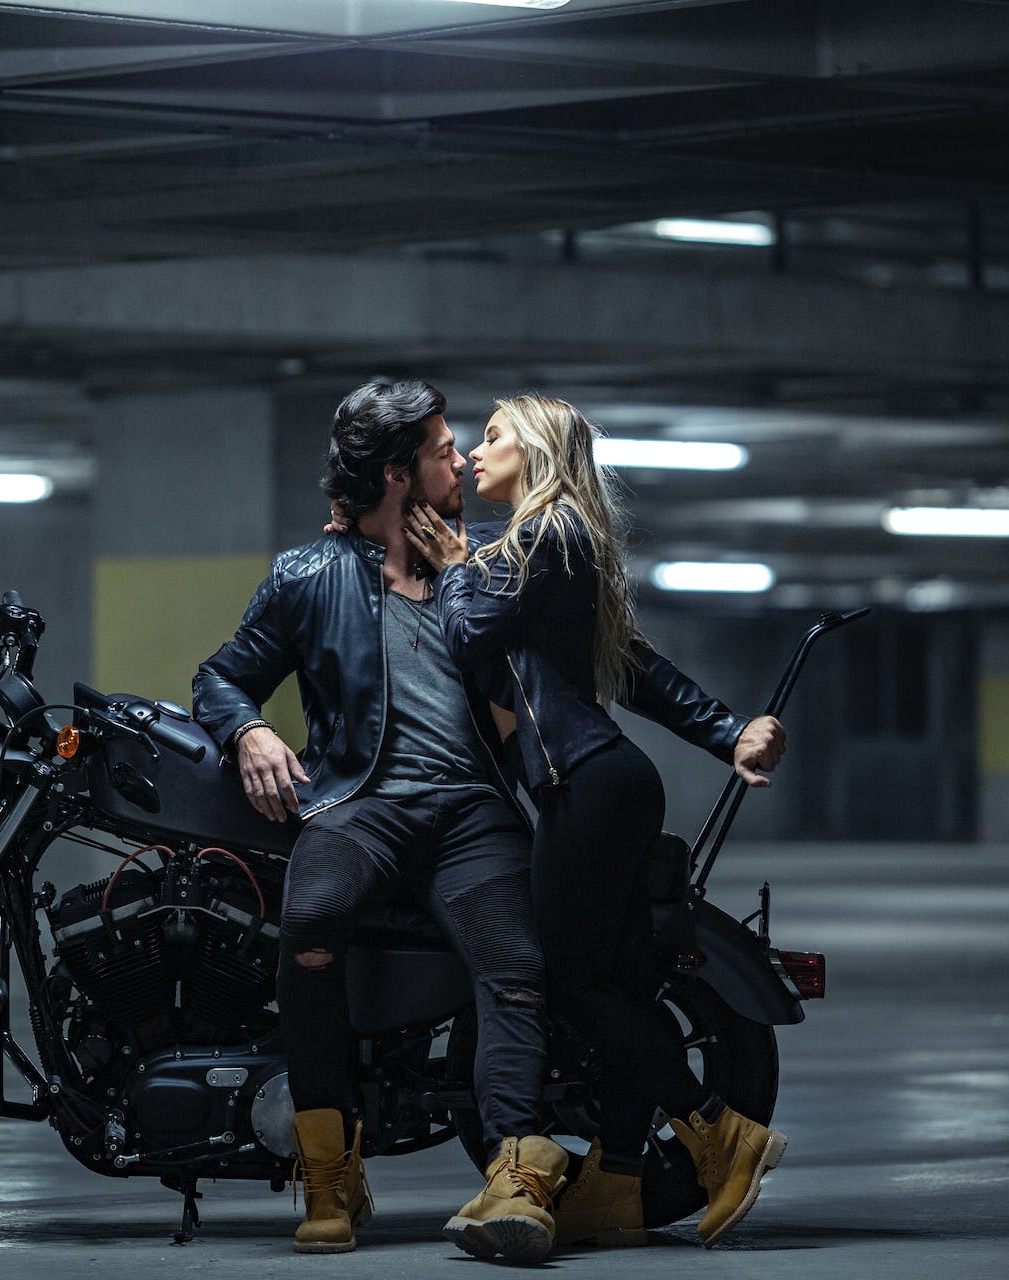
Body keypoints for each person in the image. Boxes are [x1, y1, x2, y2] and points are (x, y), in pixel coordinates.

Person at [404, 392, 789, 1253]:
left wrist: (460, 563)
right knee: (612, 987)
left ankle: (720, 1132)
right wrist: (727, 731)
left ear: (534, 450)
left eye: (494, 435)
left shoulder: (543, 536)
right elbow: (637, 670)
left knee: (569, 988)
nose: (473, 451)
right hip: (602, 784)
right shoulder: (566, 544)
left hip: (586, 788)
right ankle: (618, 1177)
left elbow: (467, 632)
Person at [192, 379, 566, 1263]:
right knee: (310, 924)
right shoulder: (308, 575)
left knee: (514, 964)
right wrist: (248, 730)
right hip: (360, 804)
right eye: (442, 451)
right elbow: (220, 675)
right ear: (399, 475)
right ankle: (329, 1170)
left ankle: (515, 1169)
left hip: (472, 810)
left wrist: (469, 571)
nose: (460, 462)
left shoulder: (484, 570)